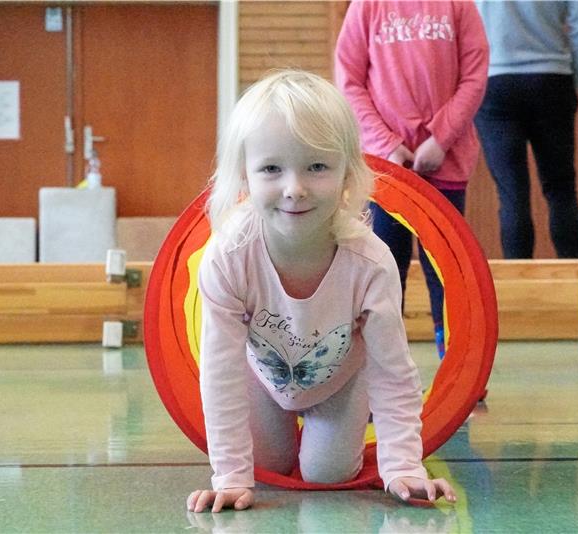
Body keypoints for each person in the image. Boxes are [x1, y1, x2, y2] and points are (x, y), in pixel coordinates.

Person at [186, 70, 455, 514]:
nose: (295, 189)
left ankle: (328, 432)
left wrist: (403, 466)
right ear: (243, 176)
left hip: (341, 383)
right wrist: (230, 475)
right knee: (265, 465)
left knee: (324, 474)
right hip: (263, 378)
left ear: (348, 172)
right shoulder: (229, 257)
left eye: (317, 167)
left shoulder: (369, 262)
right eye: (272, 169)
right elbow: (221, 372)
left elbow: (393, 371)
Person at [335, 0, 489, 358]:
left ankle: (458, 362)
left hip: (444, 164)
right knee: (384, 270)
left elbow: (474, 76)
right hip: (387, 170)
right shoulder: (368, 6)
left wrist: (441, 138)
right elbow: (349, 81)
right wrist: (388, 145)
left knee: (447, 272)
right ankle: (380, 369)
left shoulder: (458, 6)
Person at [473, 1, 578, 259]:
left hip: (494, 80)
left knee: (511, 194)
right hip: (552, 79)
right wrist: (575, 80)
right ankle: (572, 282)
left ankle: (519, 287)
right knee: (561, 188)